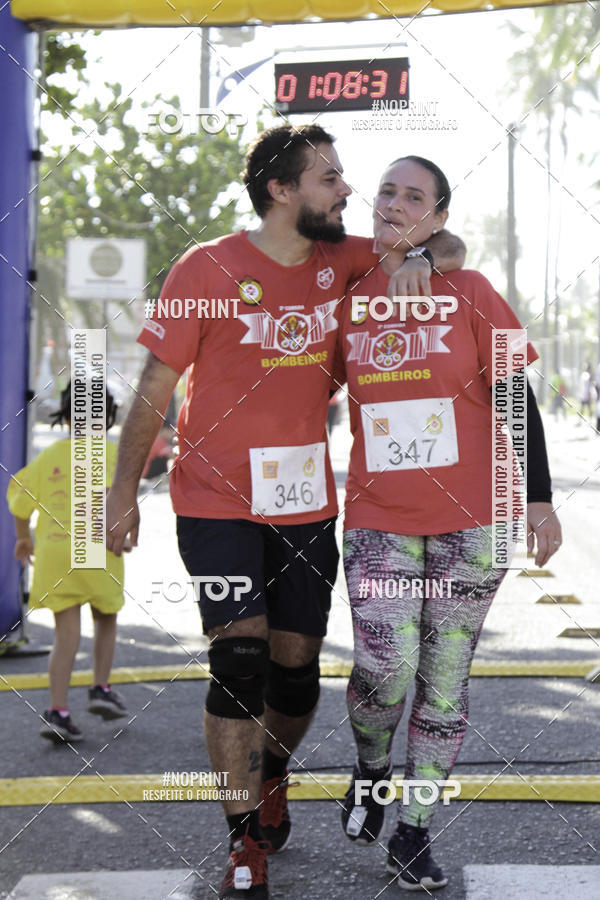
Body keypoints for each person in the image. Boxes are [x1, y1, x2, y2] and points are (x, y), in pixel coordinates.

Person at [106, 126, 465, 899]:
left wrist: (427, 260)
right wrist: (119, 492)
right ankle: (243, 841)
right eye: (329, 178)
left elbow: (447, 240)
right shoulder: (206, 269)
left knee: (295, 673)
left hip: (302, 502)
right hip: (215, 500)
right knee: (240, 661)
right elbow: (154, 384)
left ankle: (271, 772)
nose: (348, 191)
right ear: (281, 190)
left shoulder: (347, 259)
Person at [336, 156, 562, 890]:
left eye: (415, 196)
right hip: (379, 516)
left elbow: (515, 394)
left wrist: (538, 497)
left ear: (437, 217)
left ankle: (414, 830)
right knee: (385, 666)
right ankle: (372, 769)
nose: (396, 203)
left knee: (442, 682)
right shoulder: (348, 296)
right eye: (387, 191)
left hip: (475, 520)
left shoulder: (470, 290)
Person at [6, 383, 128, 744]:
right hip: (99, 551)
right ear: (108, 417)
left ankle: (58, 710)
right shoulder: (114, 455)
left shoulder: (50, 456)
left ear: (68, 418)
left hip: (56, 554)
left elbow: (19, 499)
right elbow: (118, 502)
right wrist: (126, 533)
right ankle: (101, 687)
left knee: (66, 635)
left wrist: (24, 538)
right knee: (105, 617)